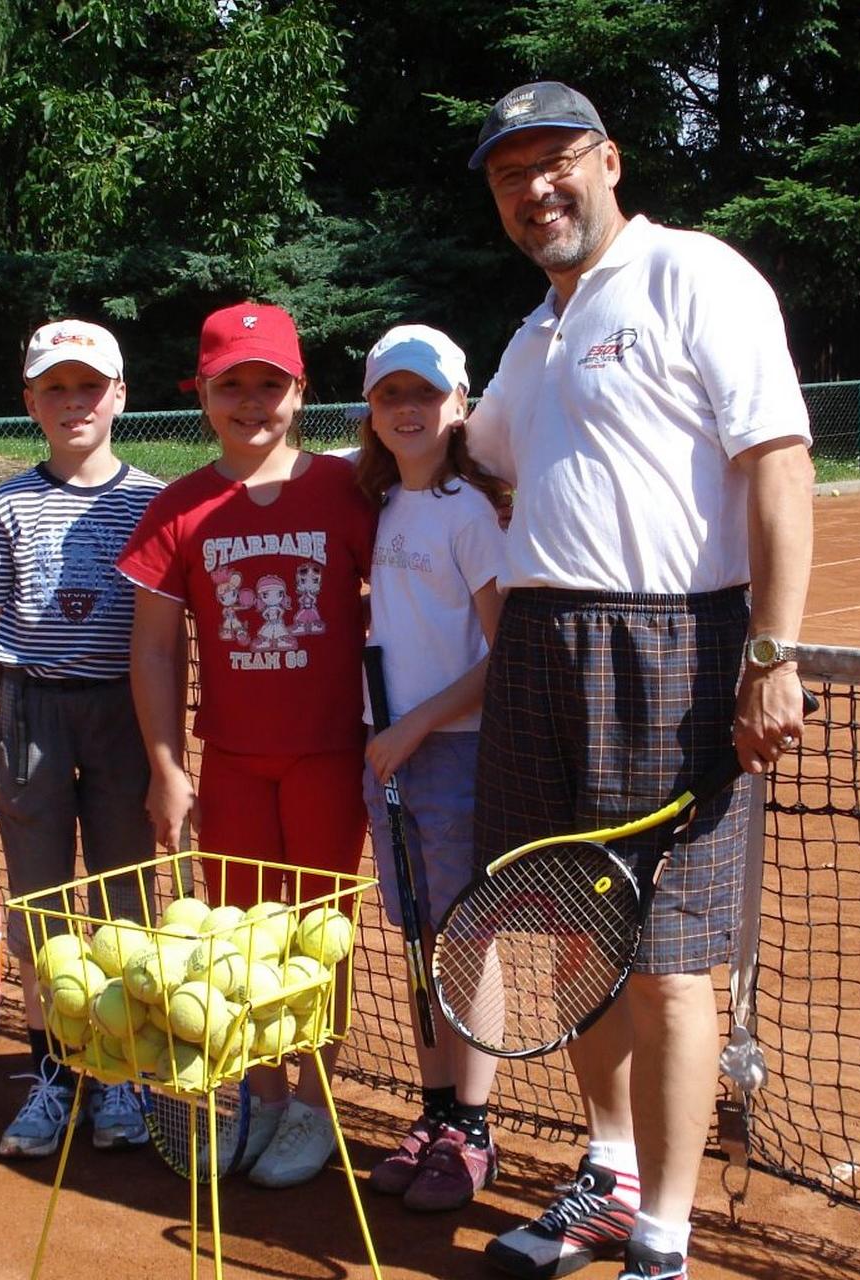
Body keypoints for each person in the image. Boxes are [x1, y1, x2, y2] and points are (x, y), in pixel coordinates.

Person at [461, 83, 816, 1280]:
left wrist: (773, 649)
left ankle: (663, 1234)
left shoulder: (698, 275)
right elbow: (487, 449)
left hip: (673, 649)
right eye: (512, 178)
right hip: (539, 649)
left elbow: (779, 464)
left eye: (556, 163)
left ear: (609, 159)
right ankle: (608, 1173)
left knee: (668, 959)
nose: (535, 190)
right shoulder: (533, 327)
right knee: (573, 933)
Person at [117, 301, 377, 1188]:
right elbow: (153, 646)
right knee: (235, 943)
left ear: (300, 392)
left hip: (332, 760)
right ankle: (260, 1092)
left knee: (320, 936)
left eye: (271, 384)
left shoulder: (347, 493)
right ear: (203, 394)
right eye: (233, 386)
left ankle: (317, 1102)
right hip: (230, 763)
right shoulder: (181, 505)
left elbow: (401, 608)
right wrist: (165, 764)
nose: (252, 402)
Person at [0, 319, 166, 1160]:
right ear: (31, 403)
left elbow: (167, 641)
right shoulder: (6, 505)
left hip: (122, 714)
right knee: (41, 911)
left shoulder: (155, 501)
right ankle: (54, 1074)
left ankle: (119, 1076)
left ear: (119, 395)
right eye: (56, 388)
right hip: (30, 717)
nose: (73, 402)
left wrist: (167, 755)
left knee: (126, 907)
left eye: (90, 386)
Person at [352, 324, 509, 1212]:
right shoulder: (379, 499)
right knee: (418, 942)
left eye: (426, 395)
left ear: (459, 406)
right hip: (390, 753)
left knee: (466, 943)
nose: (408, 410)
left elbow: (502, 656)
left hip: (449, 752)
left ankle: (475, 1129)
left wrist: (411, 728)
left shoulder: (468, 512)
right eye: (389, 396)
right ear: (371, 411)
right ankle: (436, 1111)